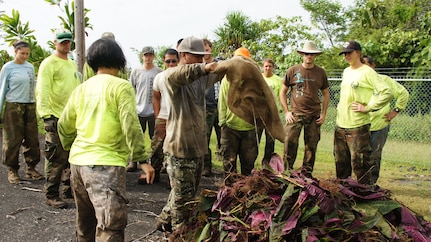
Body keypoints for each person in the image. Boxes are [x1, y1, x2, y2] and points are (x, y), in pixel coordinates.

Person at [58, 38, 155, 241]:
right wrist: (142, 160)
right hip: (106, 166)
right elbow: (131, 124)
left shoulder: (81, 88)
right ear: (119, 61)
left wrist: (71, 146)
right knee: (110, 227)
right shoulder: (121, 87)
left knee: (85, 223)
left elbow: (64, 125)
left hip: (78, 164)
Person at [156, 36, 219, 232]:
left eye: (203, 57)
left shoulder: (200, 78)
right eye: (197, 56)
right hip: (179, 148)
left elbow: (220, 70)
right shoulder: (172, 77)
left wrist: (237, 62)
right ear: (183, 55)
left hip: (197, 147)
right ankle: (178, 233)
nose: (202, 60)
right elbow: (184, 73)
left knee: (183, 192)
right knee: (184, 201)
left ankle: (163, 220)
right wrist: (206, 67)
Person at [334, 40, 393, 185]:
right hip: (341, 124)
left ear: (358, 53)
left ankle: (365, 195)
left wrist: (368, 107)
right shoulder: (346, 71)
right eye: (344, 53)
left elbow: (387, 92)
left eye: (349, 53)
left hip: (358, 126)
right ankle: (344, 195)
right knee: (341, 163)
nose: (346, 56)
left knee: (360, 164)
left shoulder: (367, 72)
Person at [35, 30, 81, 209]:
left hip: (72, 117)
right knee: (55, 157)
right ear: (55, 42)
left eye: (68, 41)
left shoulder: (70, 64)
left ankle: (69, 189)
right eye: (62, 42)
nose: (66, 44)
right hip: (55, 116)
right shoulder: (49, 63)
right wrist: (46, 116)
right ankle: (51, 193)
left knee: (72, 156)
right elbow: (43, 90)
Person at [279, 41, 330, 174]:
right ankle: (287, 172)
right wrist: (286, 112)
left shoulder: (320, 72)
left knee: (311, 147)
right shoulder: (293, 70)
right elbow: (282, 92)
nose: (309, 56)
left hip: (314, 115)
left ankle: (306, 174)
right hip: (295, 114)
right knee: (289, 143)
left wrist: (324, 114)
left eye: (312, 54)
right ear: (302, 54)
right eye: (307, 54)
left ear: (315, 56)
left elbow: (326, 93)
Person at [0, 40, 43, 184]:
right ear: (15, 52)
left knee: (32, 139)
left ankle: (31, 167)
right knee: (12, 140)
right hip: (13, 106)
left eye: (27, 54)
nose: (25, 56)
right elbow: (2, 89)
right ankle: (12, 169)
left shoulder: (30, 67)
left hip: (29, 105)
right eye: (22, 53)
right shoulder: (8, 68)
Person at [363, 55, 409, 183]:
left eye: (366, 64)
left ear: (373, 66)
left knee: (374, 156)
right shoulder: (359, 81)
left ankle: (371, 184)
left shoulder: (384, 80)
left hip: (379, 126)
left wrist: (396, 110)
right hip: (360, 125)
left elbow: (403, 93)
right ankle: (359, 183)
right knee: (359, 156)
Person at [138, 48, 179, 184]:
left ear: (178, 61)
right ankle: (154, 173)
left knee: (177, 149)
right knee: (156, 147)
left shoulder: (183, 76)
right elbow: (156, 97)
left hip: (179, 118)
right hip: (163, 116)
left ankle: (175, 178)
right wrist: (157, 115)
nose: (171, 64)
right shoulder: (159, 77)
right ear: (164, 61)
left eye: (174, 61)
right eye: (168, 61)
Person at [218, 47, 259, 178]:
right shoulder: (227, 79)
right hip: (230, 127)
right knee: (229, 164)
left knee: (248, 165)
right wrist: (222, 121)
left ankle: (246, 192)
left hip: (249, 128)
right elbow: (222, 101)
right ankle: (230, 193)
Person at [127, 46, 163, 172]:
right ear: (142, 56)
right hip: (138, 110)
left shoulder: (158, 71)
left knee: (155, 139)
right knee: (137, 137)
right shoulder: (136, 71)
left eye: (150, 55)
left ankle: (155, 162)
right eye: (145, 55)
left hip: (154, 111)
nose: (148, 58)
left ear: (153, 56)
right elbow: (131, 89)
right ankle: (134, 161)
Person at [202, 38, 221, 176]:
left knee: (224, 139)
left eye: (207, 49)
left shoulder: (220, 64)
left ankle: (228, 168)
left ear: (211, 49)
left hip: (221, 107)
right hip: (206, 108)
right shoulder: (198, 67)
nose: (205, 52)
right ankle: (206, 167)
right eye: (202, 50)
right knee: (205, 138)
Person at [258, 58, 282, 164]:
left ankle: (267, 163)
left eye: (270, 66)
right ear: (262, 67)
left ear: (273, 67)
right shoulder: (258, 78)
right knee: (255, 140)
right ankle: (251, 161)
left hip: (272, 115)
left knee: (270, 141)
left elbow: (280, 96)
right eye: (266, 66)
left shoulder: (277, 80)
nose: (268, 68)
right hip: (259, 115)